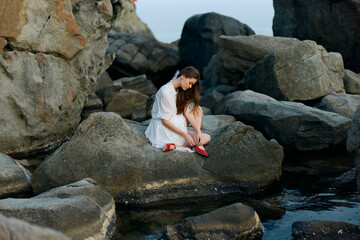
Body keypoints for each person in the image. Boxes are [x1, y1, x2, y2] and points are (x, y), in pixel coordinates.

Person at [145, 66, 211, 156]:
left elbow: (185, 110)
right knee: (205, 137)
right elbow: (164, 121)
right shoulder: (165, 92)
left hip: (173, 123)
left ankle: (190, 143)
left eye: (192, 85)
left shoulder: (177, 88)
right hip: (164, 129)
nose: (190, 86)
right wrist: (185, 135)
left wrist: (198, 131)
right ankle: (182, 145)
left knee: (199, 112)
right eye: (190, 83)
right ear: (183, 76)